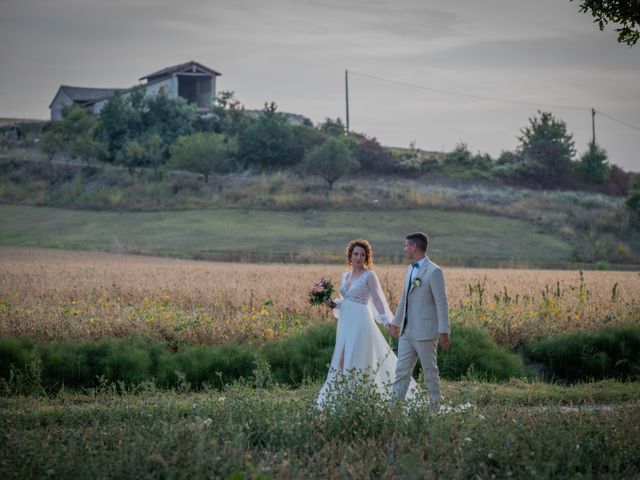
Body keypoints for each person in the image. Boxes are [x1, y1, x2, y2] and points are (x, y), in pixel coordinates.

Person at [316, 239, 419, 409]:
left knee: (354, 357)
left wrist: (388, 322)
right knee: (341, 359)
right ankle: (341, 397)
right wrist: (332, 303)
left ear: (366, 257)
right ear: (350, 256)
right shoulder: (345, 275)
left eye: (362, 255)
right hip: (345, 322)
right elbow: (345, 300)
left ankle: (359, 398)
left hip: (361, 320)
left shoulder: (369, 275)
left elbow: (378, 301)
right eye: (355, 254)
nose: (358, 257)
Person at [389, 232, 451, 404]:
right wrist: (396, 323)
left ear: (414, 247)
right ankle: (393, 409)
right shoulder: (410, 269)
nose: (405, 249)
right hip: (407, 332)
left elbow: (441, 303)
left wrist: (444, 331)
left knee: (430, 372)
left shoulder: (434, 271)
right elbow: (404, 298)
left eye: (406, 246)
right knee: (401, 372)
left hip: (426, 332)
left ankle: (435, 407)